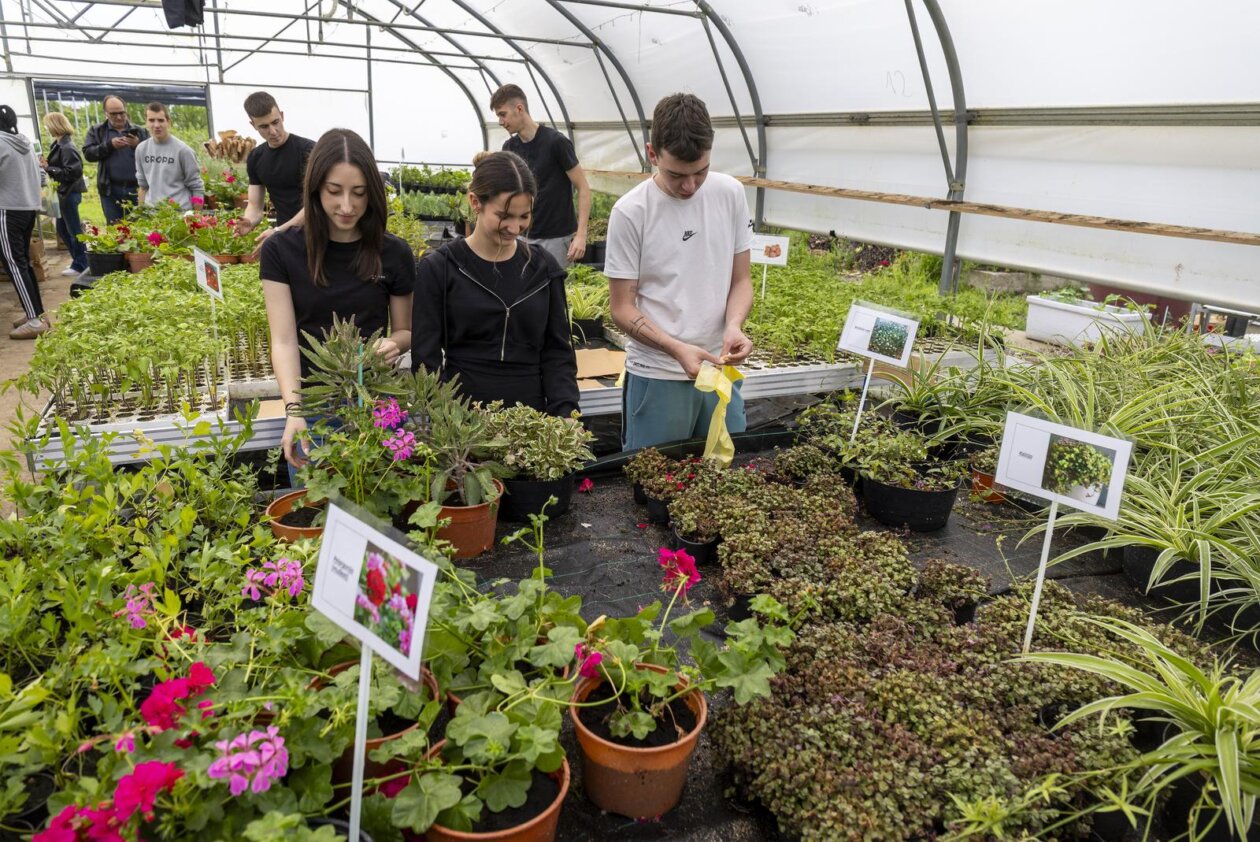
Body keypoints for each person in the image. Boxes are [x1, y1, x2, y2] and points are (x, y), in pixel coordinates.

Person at [260, 128, 414, 481]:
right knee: (318, 506)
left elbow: (406, 330)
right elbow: (283, 341)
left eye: (359, 193)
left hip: (378, 402)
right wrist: (294, 410)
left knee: (384, 499)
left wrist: (393, 344)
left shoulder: (394, 253)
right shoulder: (282, 250)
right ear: (315, 188)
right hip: (313, 405)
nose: (347, 206)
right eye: (334, 191)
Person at [605, 93, 754, 451]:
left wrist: (734, 325)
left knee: (728, 475)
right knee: (656, 478)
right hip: (658, 375)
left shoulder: (730, 193)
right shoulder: (631, 212)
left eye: (700, 172)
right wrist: (675, 348)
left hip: (719, 370)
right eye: (676, 175)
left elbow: (741, 280)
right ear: (652, 154)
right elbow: (621, 307)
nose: (689, 186)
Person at [412, 151, 579, 416]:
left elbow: (558, 352)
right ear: (475, 202)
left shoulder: (543, 268)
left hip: (530, 420)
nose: (514, 227)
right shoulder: (441, 268)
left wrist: (565, 413)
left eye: (524, 216)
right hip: (461, 418)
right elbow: (425, 359)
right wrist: (442, 416)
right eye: (504, 215)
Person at [490, 84, 591, 267]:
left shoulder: (556, 143)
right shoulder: (509, 148)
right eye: (498, 116)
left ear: (519, 109)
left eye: (503, 114)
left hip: (556, 238)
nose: (500, 121)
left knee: (556, 284)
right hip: (520, 235)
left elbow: (583, 187)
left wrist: (581, 235)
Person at [236, 91, 315, 248]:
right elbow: (255, 206)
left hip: (317, 234)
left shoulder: (309, 151)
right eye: (264, 126)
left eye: (275, 122)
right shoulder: (256, 158)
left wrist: (279, 231)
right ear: (253, 125)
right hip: (286, 237)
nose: (273, 131)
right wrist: (249, 221)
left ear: (282, 116)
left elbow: (316, 204)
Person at [0, 105, 50, 339]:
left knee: (14, 263)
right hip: (28, 208)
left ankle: (35, 321)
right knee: (23, 263)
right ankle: (36, 312)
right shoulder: (24, 142)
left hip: (7, 211)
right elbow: (41, 176)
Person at [82, 95, 148, 223]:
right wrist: (109, 145)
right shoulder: (97, 131)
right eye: (113, 114)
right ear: (106, 113)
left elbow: (153, 155)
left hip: (137, 189)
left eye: (122, 113)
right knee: (115, 228)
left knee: (140, 227)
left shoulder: (140, 131)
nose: (119, 117)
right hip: (110, 191)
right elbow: (88, 154)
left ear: (126, 110)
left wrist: (138, 145)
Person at [40, 111, 89, 277]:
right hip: (65, 193)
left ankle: (81, 264)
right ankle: (79, 261)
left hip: (69, 193)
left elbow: (73, 172)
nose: (46, 128)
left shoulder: (67, 147)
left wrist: (49, 168)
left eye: (47, 125)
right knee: (63, 229)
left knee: (73, 230)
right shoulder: (59, 144)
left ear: (54, 125)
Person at [135, 102, 203, 210]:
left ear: (168, 122)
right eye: (151, 120)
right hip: (152, 213)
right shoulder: (141, 149)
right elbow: (143, 187)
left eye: (160, 120)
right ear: (146, 122)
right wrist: (141, 212)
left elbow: (197, 187)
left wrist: (196, 214)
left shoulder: (184, 151)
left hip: (179, 212)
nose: (156, 125)